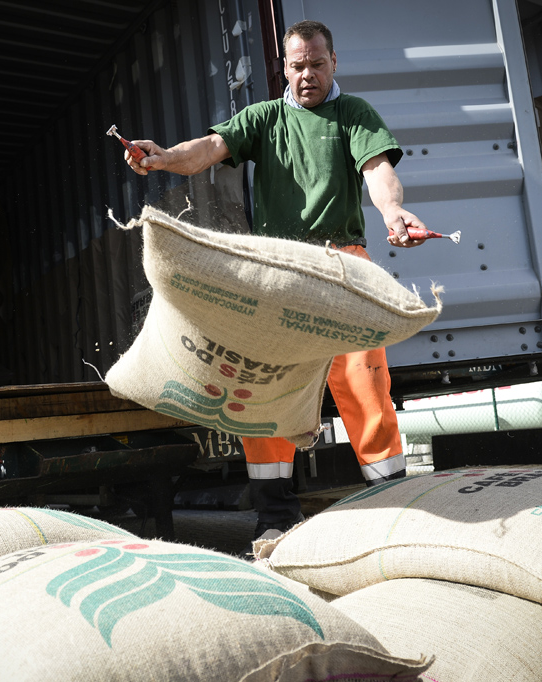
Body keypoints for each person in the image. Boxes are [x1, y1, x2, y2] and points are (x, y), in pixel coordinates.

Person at [124, 20, 430, 542]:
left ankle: (392, 502)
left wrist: (394, 211)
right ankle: (275, 518)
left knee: (363, 383)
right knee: (264, 387)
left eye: (316, 64)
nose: (306, 75)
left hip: (344, 267)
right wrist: (164, 158)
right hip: (279, 271)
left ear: (334, 62)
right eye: (296, 66)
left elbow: (377, 170)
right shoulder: (264, 119)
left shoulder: (353, 114)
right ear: (283, 68)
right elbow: (208, 150)